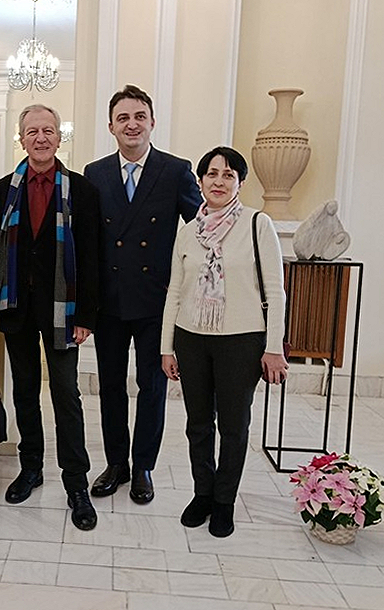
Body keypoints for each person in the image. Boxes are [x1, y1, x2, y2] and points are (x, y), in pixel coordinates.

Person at [160, 146, 287, 537]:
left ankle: (224, 501)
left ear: (240, 183)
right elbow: (174, 291)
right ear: (200, 182)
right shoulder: (188, 232)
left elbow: (276, 291)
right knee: (198, 424)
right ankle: (202, 493)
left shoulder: (257, 224)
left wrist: (274, 346)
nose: (219, 181)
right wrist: (167, 347)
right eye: (212, 174)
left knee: (234, 426)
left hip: (241, 342)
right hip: (192, 338)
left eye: (228, 175)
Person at [83, 84, 201, 504]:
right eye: (123, 118)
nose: (131, 124)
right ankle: (116, 463)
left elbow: (201, 228)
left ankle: (143, 467)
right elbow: (89, 241)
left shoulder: (175, 170)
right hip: (110, 302)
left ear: (152, 122)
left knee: (152, 387)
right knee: (111, 386)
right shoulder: (95, 173)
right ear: (111, 126)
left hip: (157, 301)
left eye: (139, 117)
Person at [0, 104, 100, 531]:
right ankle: (31, 468)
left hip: (63, 310)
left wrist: (86, 315)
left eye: (49, 130)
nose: (41, 138)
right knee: (23, 391)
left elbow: (91, 256)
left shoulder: (82, 190)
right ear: (21, 139)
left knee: (66, 395)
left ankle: (76, 483)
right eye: (32, 131)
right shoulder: (3, 189)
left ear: (59, 137)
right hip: (17, 307)